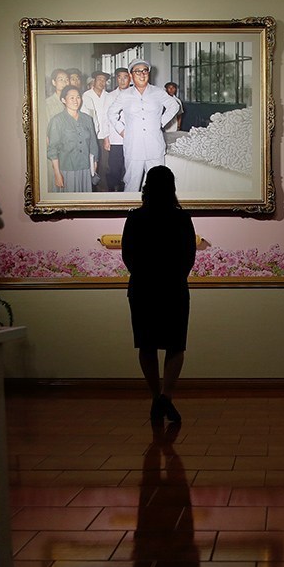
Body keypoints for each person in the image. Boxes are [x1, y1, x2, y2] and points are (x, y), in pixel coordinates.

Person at [122, 166, 196, 422]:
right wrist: (174, 276)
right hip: (174, 288)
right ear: (172, 187)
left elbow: (128, 256)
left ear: (146, 187)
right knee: (176, 345)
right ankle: (167, 396)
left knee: (147, 344)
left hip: (142, 288)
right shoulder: (182, 218)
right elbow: (188, 257)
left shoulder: (135, 218)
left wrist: (144, 274)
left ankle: (155, 397)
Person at [108, 59, 180, 192]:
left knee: (158, 185)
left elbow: (174, 106)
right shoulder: (125, 95)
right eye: (137, 71)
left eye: (145, 71)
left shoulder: (158, 92)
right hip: (133, 147)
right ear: (131, 75)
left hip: (154, 146)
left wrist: (160, 122)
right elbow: (111, 113)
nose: (142, 74)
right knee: (132, 183)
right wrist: (121, 130)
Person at [46, 85, 99, 192]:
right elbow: (52, 149)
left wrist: (94, 164)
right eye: (72, 98)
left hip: (85, 168)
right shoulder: (57, 121)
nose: (76, 101)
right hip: (66, 169)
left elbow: (93, 144)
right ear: (63, 100)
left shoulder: (87, 119)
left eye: (78, 97)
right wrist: (57, 173)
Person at [82, 71, 111, 190]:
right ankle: (91, 189)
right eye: (99, 79)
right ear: (94, 81)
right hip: (90, 137)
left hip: (104, 136)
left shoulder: (108, 96)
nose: (101, 82)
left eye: (104, 80)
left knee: (104, 165)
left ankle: (102, 189)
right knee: (91, 164)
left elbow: (109, 117)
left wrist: (107, 138)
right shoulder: (86, 96)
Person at [104, 67, 131, 191]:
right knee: (114, 168)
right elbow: (105, 118)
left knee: (128, 168)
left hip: (131, 139)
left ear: (129, 78)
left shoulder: (134, 94)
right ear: (116, 79)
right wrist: (106, 138)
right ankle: (112, 191)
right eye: (119, 77)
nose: (122, 80)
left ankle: (124, 191)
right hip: (115, 139)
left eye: (125, 77)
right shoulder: (110, 96)